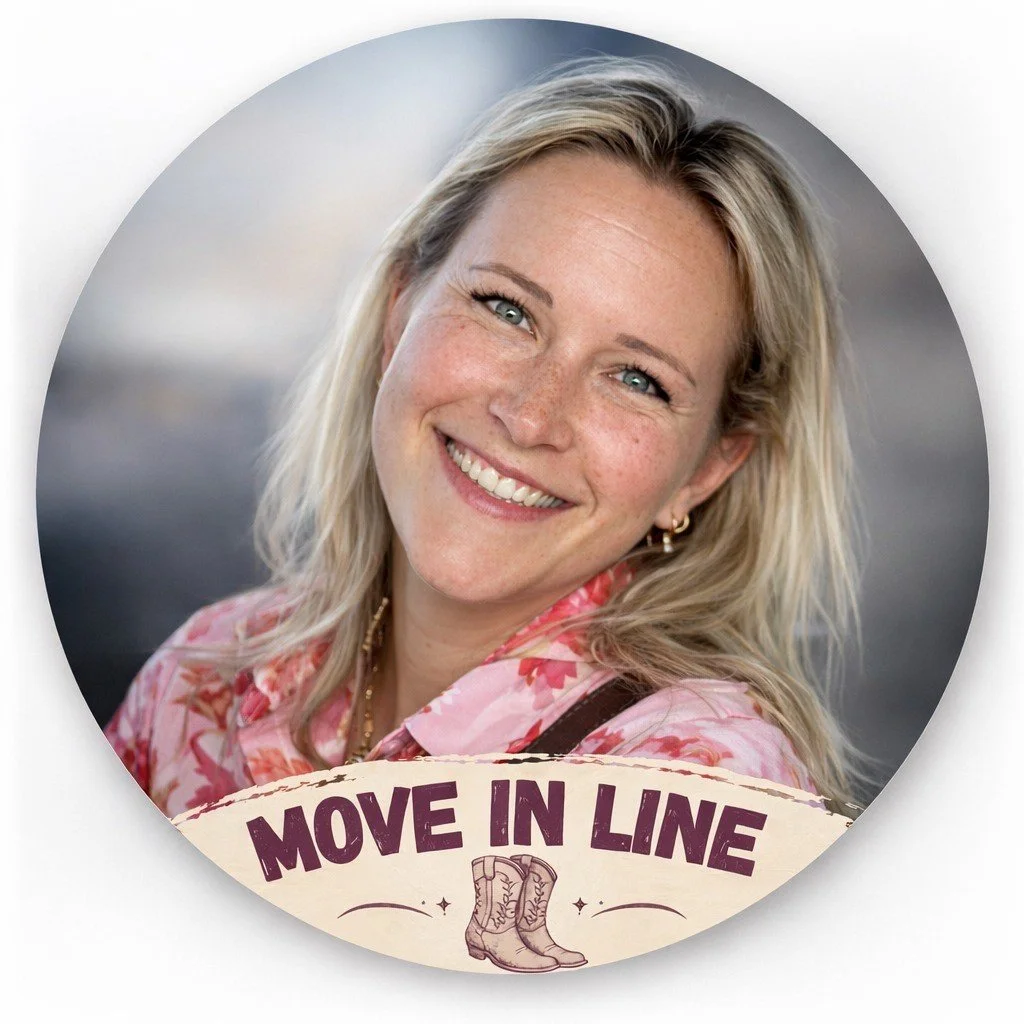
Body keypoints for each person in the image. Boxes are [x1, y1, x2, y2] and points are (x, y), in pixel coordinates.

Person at [105, 57, 861, 819]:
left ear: (706, 470)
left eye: (637, 379)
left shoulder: (698, 790)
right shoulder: (198, 682)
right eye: (507, 310)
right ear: (399, 311)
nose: (531, 417)